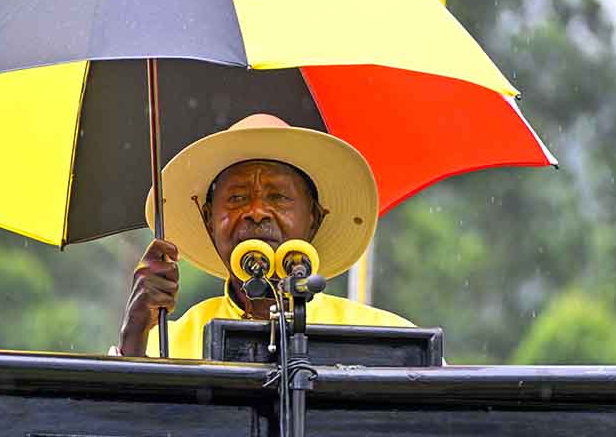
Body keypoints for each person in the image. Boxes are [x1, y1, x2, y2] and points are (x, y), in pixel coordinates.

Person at [117, 113, 412, 358]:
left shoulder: (391, 342)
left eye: (278, 196)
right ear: (208, 220)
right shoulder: (164, 345)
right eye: (236, 197)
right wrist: (135, 335)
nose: (256, 211)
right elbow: (119, 421)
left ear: (315, 219)